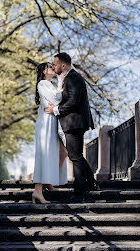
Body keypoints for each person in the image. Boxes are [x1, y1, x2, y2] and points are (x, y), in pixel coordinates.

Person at [45, 52, 100, 203]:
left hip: (74, 123)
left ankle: (79, 193)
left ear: (63, 66)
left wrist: (55, 110)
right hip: (72, 123)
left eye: (55, 64)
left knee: (75, 157)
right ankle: (92, 184)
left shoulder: (73, 78)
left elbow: (74, 101)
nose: (53, 66)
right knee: (77, 155)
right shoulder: (68, 78)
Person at [32, 62, 67, 204]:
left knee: (62, 152)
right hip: (46, 123)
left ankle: (47, 181)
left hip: (52, 121)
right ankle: (37, 191)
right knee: (44, 154)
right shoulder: (42, 83)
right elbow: (58, 98)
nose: (53, 68)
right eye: (50, 67)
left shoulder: (49, 85)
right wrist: (60, 86)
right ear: (44, 71)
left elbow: (57, 100)